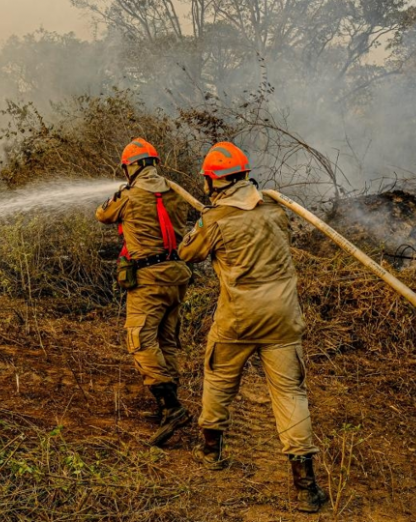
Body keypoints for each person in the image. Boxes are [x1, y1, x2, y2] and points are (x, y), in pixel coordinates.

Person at [178, 142, 327, 513]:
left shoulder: (215, 220)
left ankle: (211, 451)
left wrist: (204, 219)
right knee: (291, 395)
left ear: (214, 182)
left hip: (238, 319)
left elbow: (187, 253)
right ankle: (306, 487)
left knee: (218, 379)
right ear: (245, 174)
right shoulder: (277, 211)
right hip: (283, 318)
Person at [95, 138, 193, 447]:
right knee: (168, 341)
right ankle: (167, 406)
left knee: (140, 339)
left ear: (131, 167)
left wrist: (120, 194)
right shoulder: (176, 192)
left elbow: (102, 214)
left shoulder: (129, 195)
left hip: (149, 279)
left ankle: (172, 407)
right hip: (177, 275)